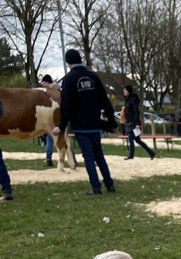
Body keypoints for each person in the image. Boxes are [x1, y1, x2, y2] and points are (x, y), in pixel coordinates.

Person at [53, 48, 116, 195]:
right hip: (95, 125)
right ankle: (109, 184)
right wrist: (111, 123)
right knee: (99, 156)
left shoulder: (68, 79)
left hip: (81, 127)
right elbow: (105, 101)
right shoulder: (93, 77)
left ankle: (95, 187)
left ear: (68, 62)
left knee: (88, 157)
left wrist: (61, 127)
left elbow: (66, 106)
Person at [122, 85, 155, 161]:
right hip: (130, 122)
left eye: (125, 90)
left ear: (128, 91)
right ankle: (151, 153)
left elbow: (136, 112)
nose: (124, 91)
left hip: (133, 123)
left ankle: (131, 156)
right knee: (138, 140)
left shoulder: (132, 100)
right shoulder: (128, 100)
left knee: (131, 139)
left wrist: (137, 123)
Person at [40, 74, 56, 166]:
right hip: (51, 119)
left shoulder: (48, 92)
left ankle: (48, 159)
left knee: (50, 140)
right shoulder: (55, 91)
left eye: (44, 83)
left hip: (51, 119)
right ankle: (48, 159)